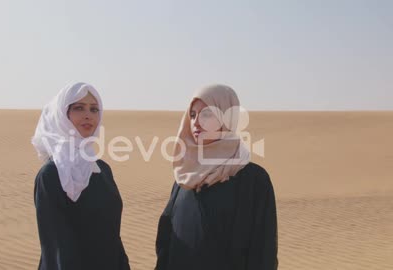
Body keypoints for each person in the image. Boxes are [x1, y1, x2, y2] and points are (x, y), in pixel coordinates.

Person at [155, 84, 278, 270]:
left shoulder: (254, 180)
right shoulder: (184, 178)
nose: (196, 122)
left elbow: (263, 252)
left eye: (206, 114)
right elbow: (166, 243)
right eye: (193, 114)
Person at [32, 82, 130, 270]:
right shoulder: (51, 175)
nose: (88, 115)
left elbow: (113, 237)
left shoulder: (102, 170)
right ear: (62, 115)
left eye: (94, 109)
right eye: (78, 108)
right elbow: (55, 247)